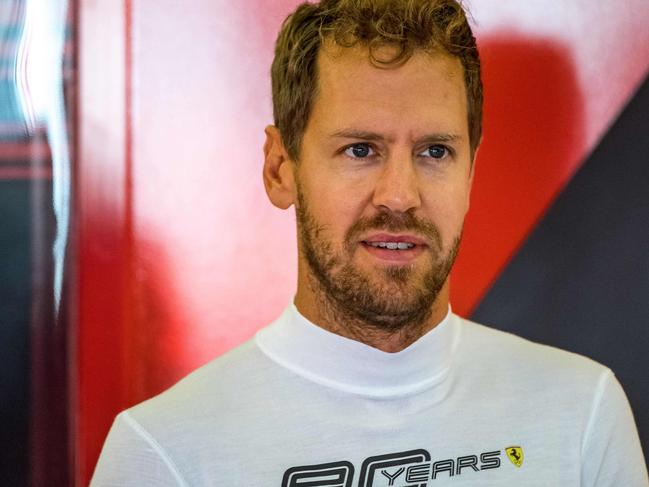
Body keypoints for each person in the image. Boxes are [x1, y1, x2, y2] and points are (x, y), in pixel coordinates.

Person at [91, 0, 648, 485]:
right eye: (360, 149)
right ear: (281, 167)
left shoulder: (582, 415)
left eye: (434, 152)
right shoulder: (163, 453)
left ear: (470, 173)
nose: (400, 196)